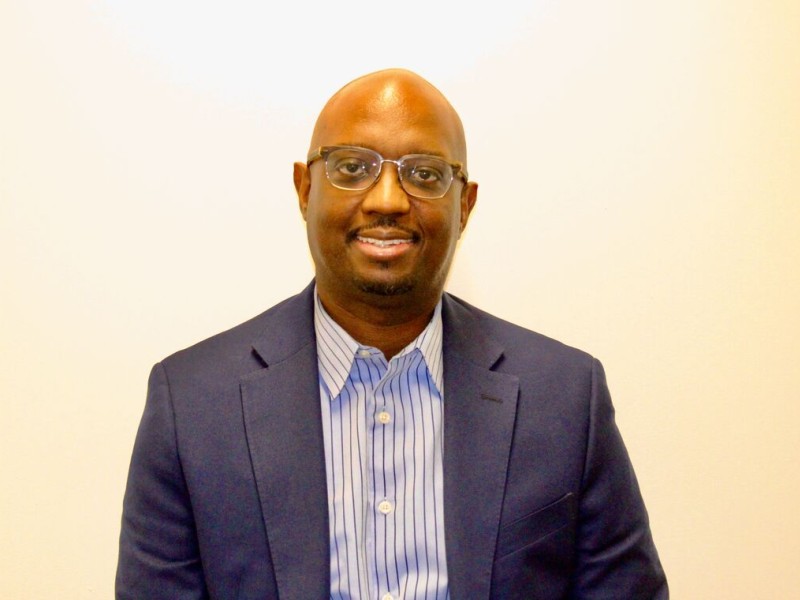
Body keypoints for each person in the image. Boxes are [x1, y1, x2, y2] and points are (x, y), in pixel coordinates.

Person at [116, 69, 668, 599]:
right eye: (352, 168)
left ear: (465, 205)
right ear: (304, 189)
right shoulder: (190, 405)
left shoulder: (566, 398)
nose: (386, 200)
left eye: (424, 174)